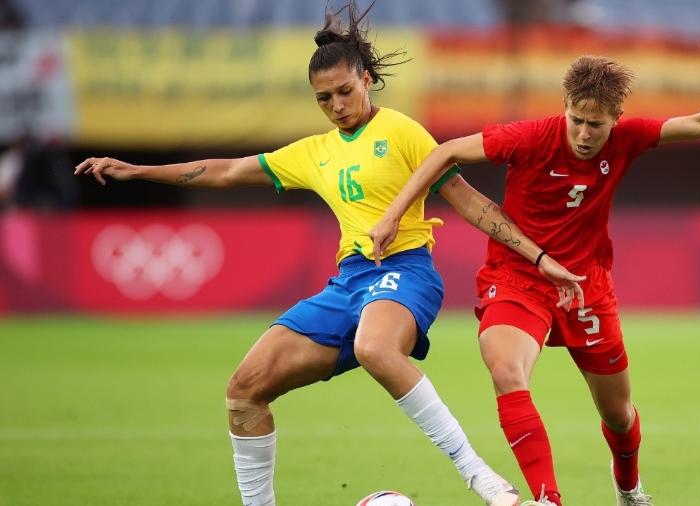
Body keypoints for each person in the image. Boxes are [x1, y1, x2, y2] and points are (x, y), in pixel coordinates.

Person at [74, 2, 587, 505]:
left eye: (345, 90)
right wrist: (137, 171)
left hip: (405, 273)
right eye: (324, 98)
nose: (338, 104)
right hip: (347, 284)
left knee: (375, 348)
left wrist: (539, 258)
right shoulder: (314, 152)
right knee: (244, 391)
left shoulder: (403, 131)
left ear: (367, 79)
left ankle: (481, 478)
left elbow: (470, 203)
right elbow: (226, 171)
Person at [370, 55, 700, 505]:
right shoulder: (529, 137)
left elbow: (696, 123)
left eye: (597, 125)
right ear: (565, 105)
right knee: (506, 370)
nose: (585, 134)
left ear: (616, 120)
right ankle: (548, 499)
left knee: (619, 415)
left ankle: (629, 490)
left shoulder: (627, 139)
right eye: (577, 120)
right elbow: (445, 152)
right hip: (518, 278)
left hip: (586, 287)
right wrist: (393, 214)